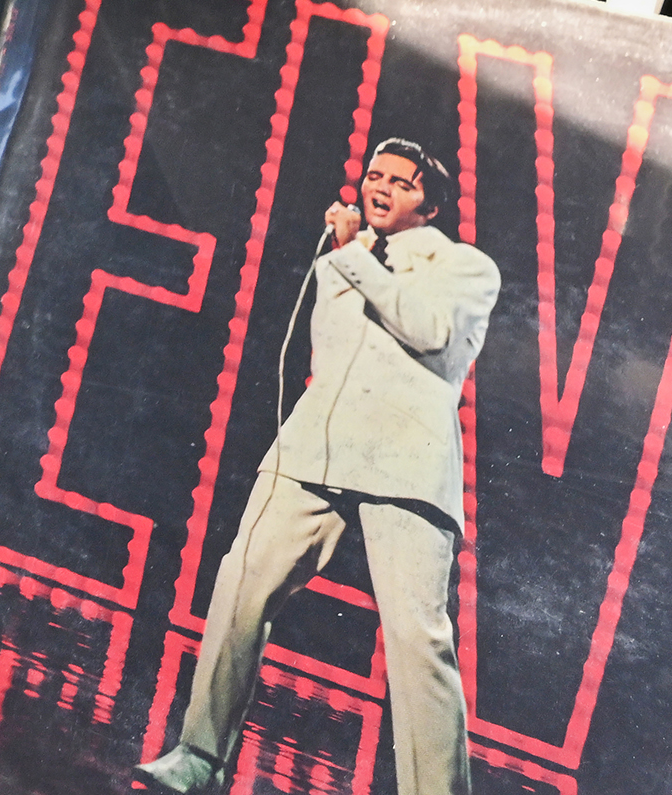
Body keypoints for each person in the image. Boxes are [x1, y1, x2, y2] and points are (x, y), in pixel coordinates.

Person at [132, 140, 503, 795]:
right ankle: (200, 755)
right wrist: (348, 258)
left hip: (406, 463)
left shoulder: (465, 265)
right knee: (240, 584)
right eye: (373, 175)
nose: (379, 187)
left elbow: (430, 330)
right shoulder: (342, 260)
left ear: (432, 202)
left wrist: (353, 255)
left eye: (400, 182)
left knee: (418, 642)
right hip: (313, 451)